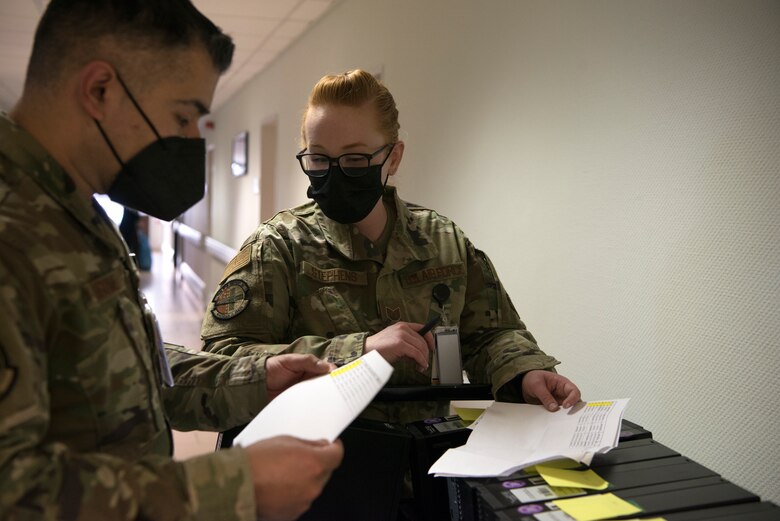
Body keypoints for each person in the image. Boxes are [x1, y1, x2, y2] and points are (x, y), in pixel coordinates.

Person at [0, 2, 342, 520]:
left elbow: (131, 372)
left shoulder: (73, 216)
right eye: (182, 116)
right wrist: (230, 487)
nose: (188, 141)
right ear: (100, 91)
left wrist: (256, 378)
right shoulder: (12, 229)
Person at [200, 69, 581, 426]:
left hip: (431, 463)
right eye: (318, 158)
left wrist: (526, 371)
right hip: (321, 470)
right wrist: (359, 351)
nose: (334, 173)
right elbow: (222, 365)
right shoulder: (278, 247)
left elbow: (491, 334)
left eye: (354, 158)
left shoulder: (443, 241)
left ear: (393, 158)